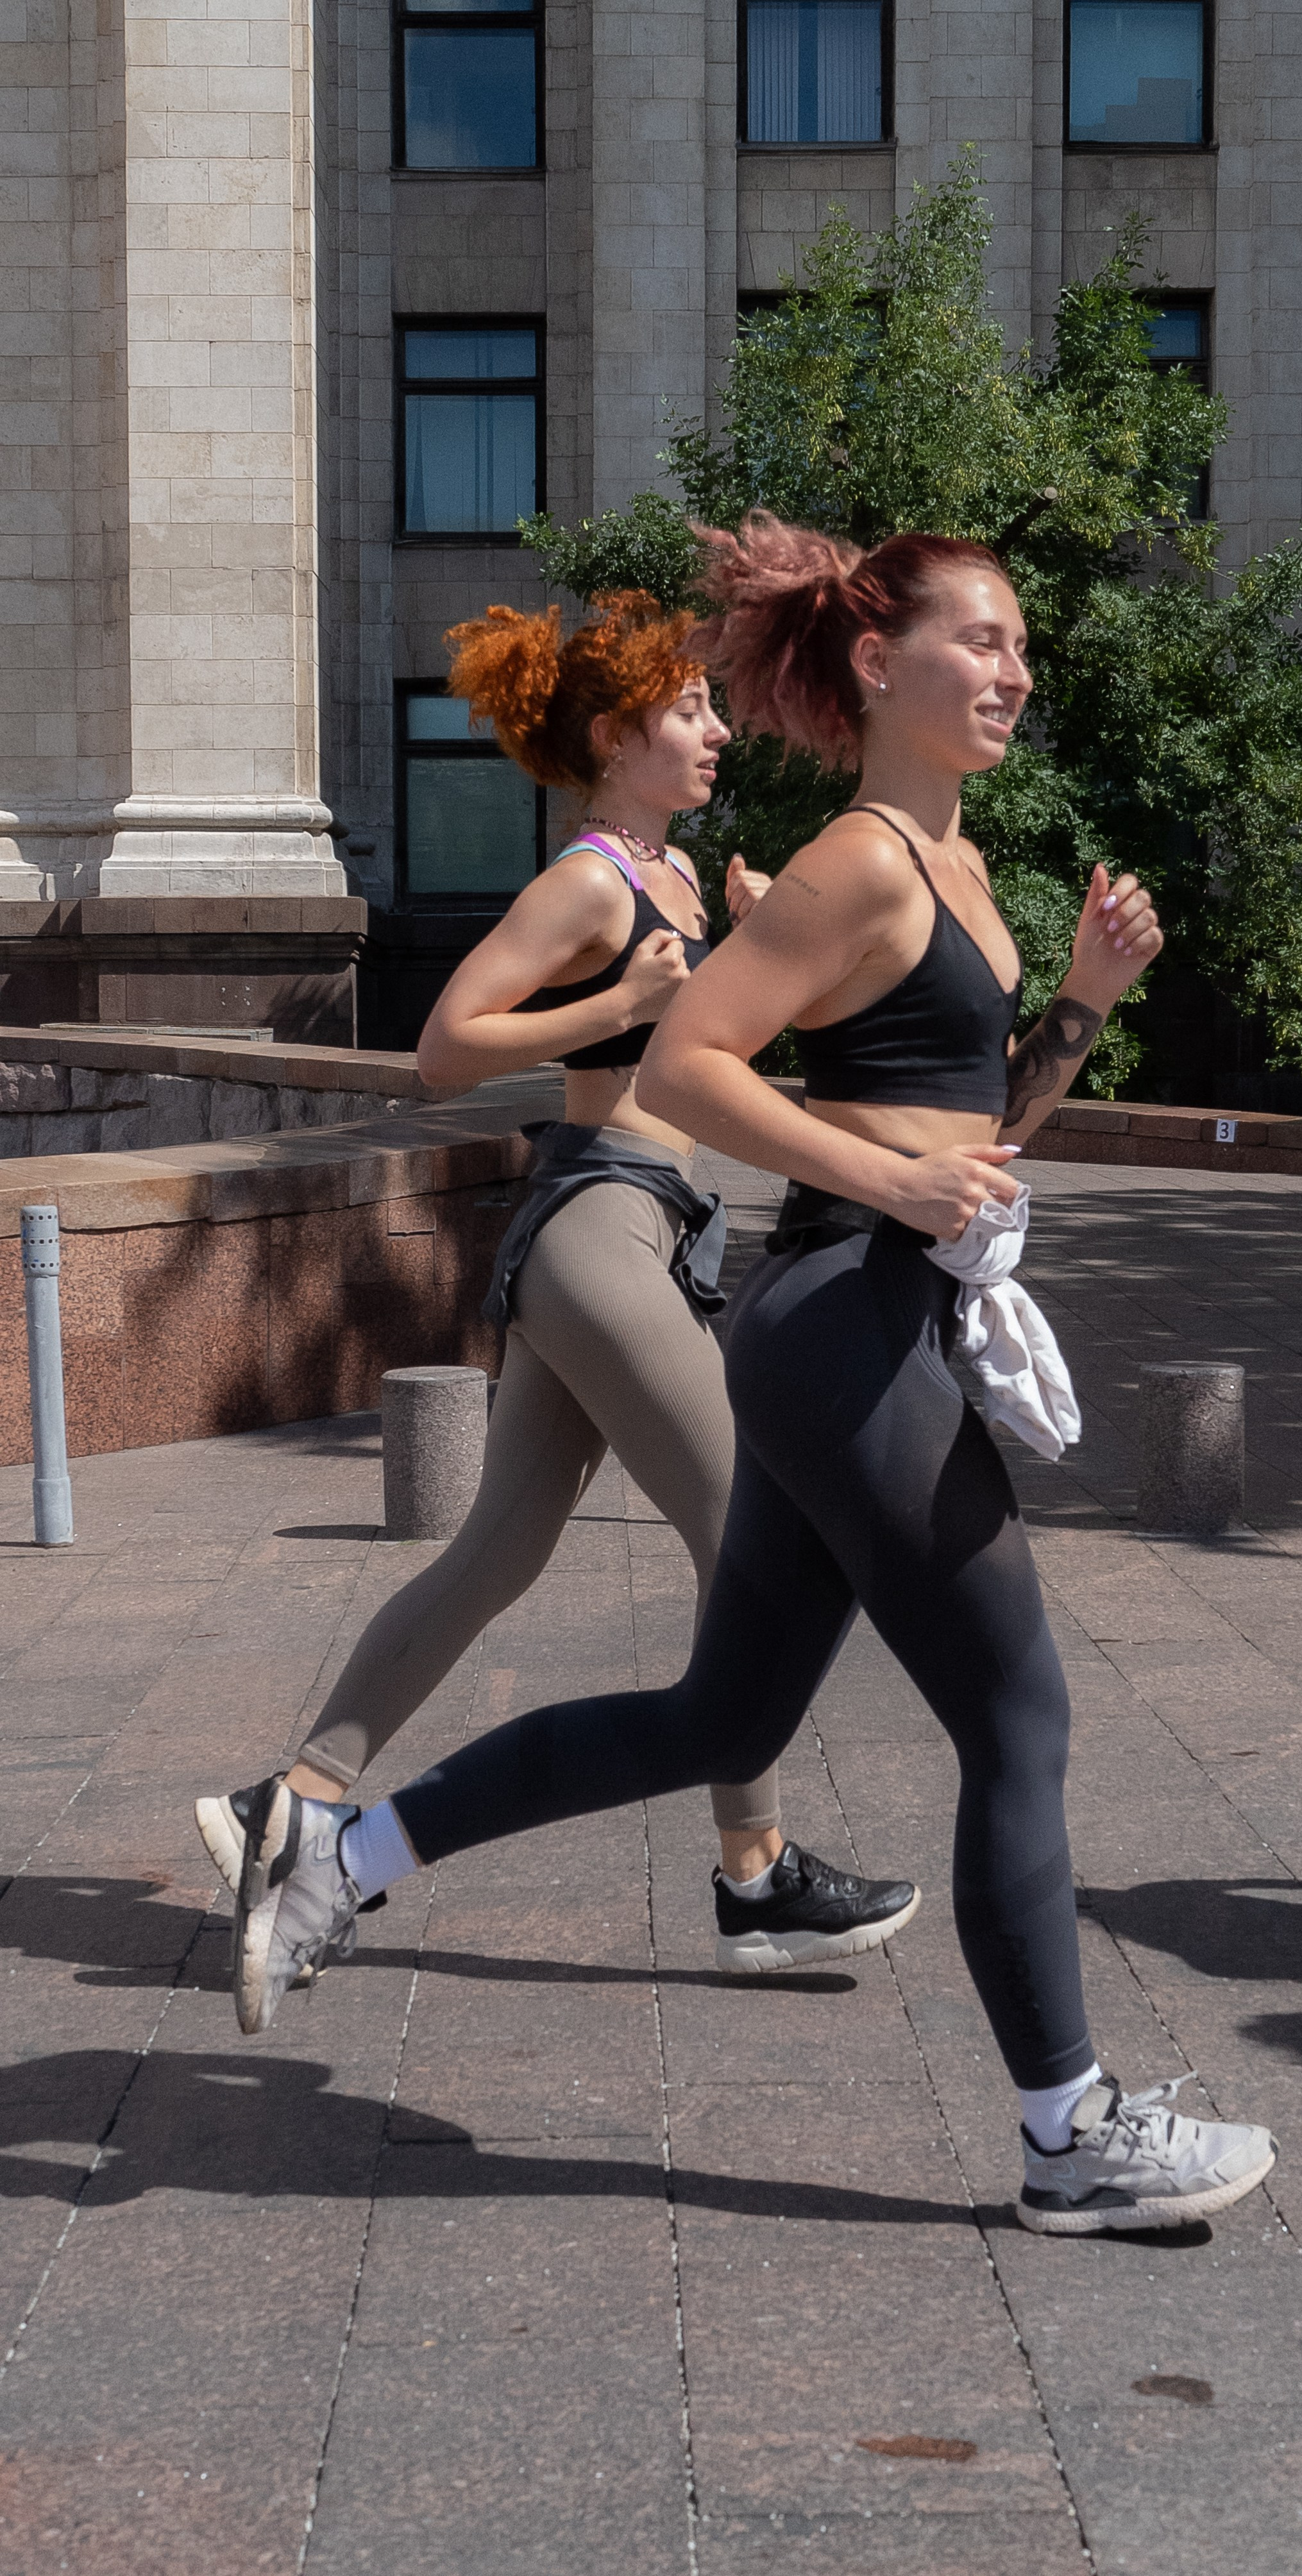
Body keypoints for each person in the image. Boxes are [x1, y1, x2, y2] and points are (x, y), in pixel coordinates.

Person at [227, 520, 1276, 2235]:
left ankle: (338, 1863)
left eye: (1023, 647)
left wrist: (1079, 1006)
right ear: (879, 667)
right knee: (1019, 1716)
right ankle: (1067, 2133)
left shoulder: (959, 872)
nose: (1014, 671)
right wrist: (888, 1184)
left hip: (882, 1314)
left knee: (724, 1717)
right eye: (981, 642)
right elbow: (699, 1067)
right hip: (843, 1322)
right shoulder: (855, 861)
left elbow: (980, 1138)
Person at [196, 587, 917, 1992]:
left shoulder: (680, 880)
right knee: (750, 1535)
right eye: (690, 709)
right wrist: (618, 1002)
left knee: (496, 1554)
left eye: (713, 705)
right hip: (598, 1225)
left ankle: (287, 1799)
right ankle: (756, 1872)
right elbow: (445, 1049)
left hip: (646, 1227)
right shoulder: (592, 878)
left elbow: (710, 1058)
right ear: (615, 733)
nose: (716, 729)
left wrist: (766, 954)